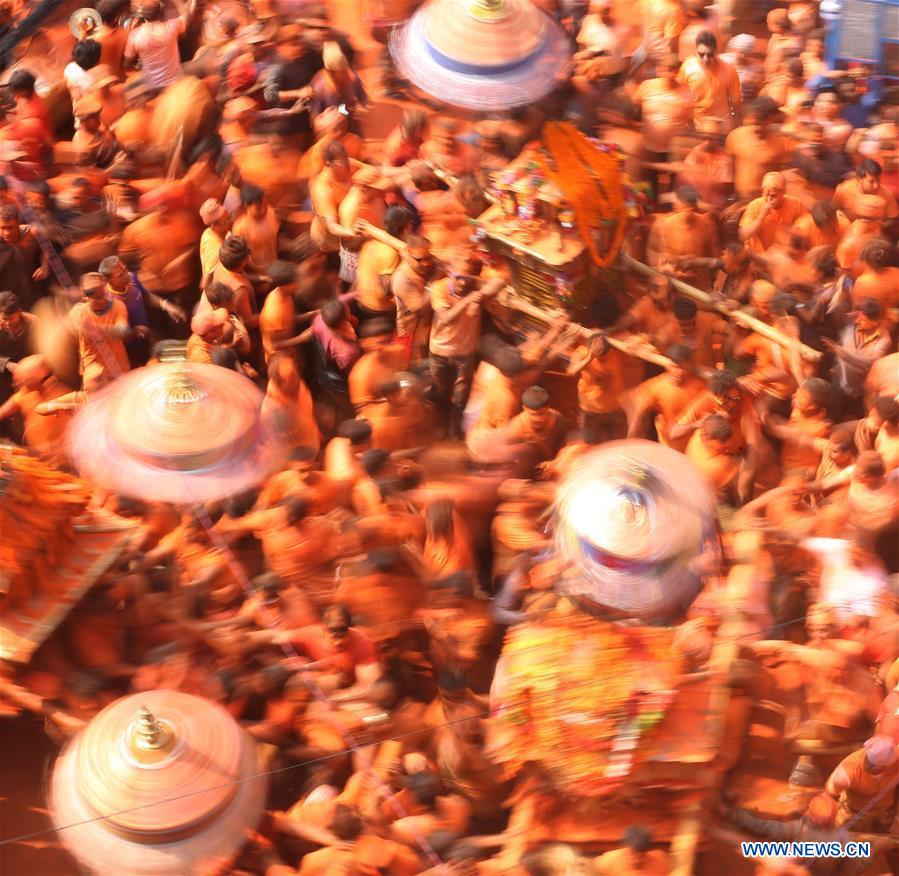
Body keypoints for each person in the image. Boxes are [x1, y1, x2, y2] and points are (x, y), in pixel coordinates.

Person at [427, 256, 502, 439]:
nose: (461, 282)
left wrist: (479, 291)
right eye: (457, 276)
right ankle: (439, 423)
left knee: (461, 396)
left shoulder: (474, 286)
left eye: (466, 278)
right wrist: (468, 301)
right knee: (440, 390)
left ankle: (454, 429)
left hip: (465, 353)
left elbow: (499, 282)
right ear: (449, 274)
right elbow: (445, 318)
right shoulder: (440, 288)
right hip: (439, 352)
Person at [68, 271, 139, 390]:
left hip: (118, 371)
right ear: (86, 297)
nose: (101, 300)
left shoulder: (118, 306)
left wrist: (96, 329)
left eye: (103, 295)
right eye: (96, 298)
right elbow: (75, 329)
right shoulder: (79, 312)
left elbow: (122, 331)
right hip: (94, 376)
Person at [677, 31, 742, 133]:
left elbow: (736, 103)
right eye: (701, 54)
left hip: (722, 128)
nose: (705, 59)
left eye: (710, 54)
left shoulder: (729, 70)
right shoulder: (687, 67)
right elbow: (681, 97)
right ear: (695, 52)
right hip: (697, 127)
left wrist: (738, 127)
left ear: (716, 51)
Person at [123, 0, 191, 93]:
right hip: (175, 82)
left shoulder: (135, 35)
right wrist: (178, 2)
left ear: (142, 15)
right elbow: (186, 15)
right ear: (161, 13)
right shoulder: (172, 26)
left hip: (152, 86)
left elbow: (127, 64)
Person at [739, 171, 807, 252]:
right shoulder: (755, 205)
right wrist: (761, 217)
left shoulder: (795, 203)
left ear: (783, 193)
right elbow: (744, 235)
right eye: (766, 194)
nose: (769, 199)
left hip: (785, 256)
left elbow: (806, 229)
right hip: (759, 257)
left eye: (773, 195)